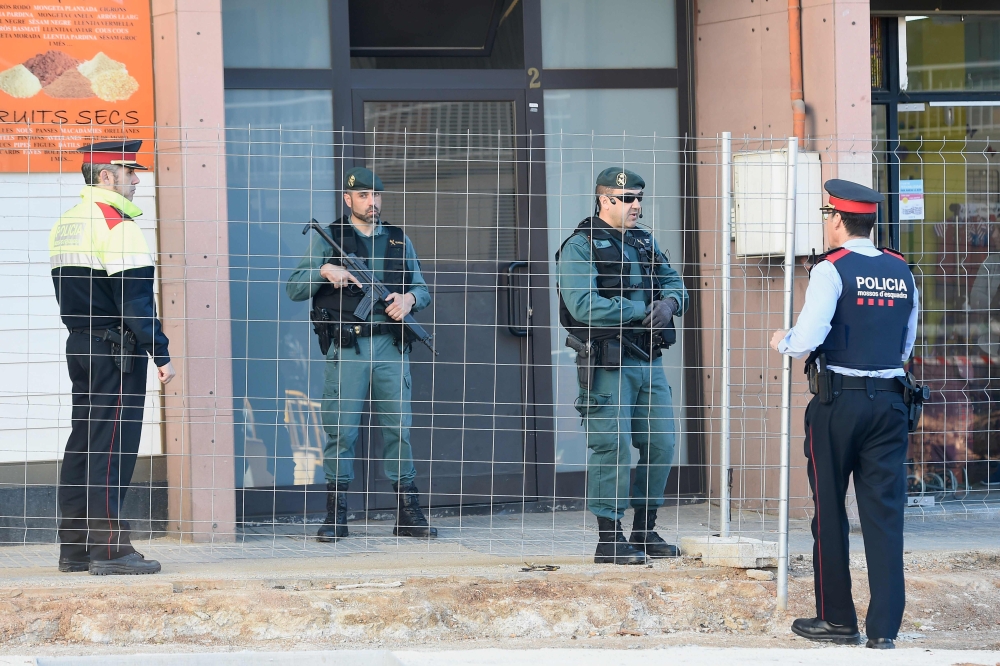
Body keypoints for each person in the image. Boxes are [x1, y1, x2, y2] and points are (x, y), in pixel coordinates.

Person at [770, 179, 919, 649]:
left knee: (830, 512)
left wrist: (783, 342)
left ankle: (837, 621)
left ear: (836, 219)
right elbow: (907, 341)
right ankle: (884, 632)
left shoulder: (831, 270)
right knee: (884, 515)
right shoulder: (901, 270)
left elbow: (808, 336)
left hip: (839, 404)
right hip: (892, 402)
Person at [287, 166, 436, 542]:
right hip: (349, 347)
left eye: (376, 196)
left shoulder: (399, 240)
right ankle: (336, 514)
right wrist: (324, 271)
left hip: (391, 346)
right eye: (364, 196)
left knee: (398, 430)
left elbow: (422, 287)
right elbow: (293, 287)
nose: (372, 202)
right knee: (341, 432)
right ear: (348, 199)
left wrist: (408, 299)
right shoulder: (330, 238)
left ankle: (408, 512)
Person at [50, 140, 175, 575]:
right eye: (129, 172)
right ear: (105, 176)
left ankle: (75, 547)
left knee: (83, 442)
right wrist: (159, 351)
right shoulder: (118, 224)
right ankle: (110, 548)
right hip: (116, 350)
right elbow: (136, 299)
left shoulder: (67, 222)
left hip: (81, 344)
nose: (137, 180)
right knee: (113, 447)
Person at [555, 167, 689, 565]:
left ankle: (644, 530)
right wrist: (640, 309)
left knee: (662, 443)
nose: (636, 205)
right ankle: (609, 538)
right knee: (610, 448)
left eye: (639, 198)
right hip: (607, 362)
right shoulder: (580, 246)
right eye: (627, 198)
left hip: (649, 361)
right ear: (604, 199)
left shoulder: (645, 242)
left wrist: (669, 304)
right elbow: (583, 304)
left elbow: (675, 283)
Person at [968, 223, 1000, 488]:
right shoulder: (992, 262)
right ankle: (988, 468)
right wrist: (991, 305)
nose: (995, 236)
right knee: (987, 410)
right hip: (991, 348)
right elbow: (975, 298)